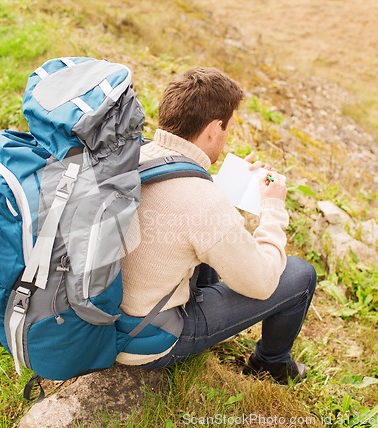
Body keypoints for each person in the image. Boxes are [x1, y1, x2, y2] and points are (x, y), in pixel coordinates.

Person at [117, 66, 317, 384]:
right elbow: (263, 282)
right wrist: (273, 209)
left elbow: (174, 207)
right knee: (299, 274)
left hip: (103, 318)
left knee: (203, 248)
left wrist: (224, 186)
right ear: (213, 129)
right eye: (227, 129)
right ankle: (271, 363)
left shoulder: (133, 155)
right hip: (147, 341)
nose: (226, 136)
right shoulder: (204, 203)